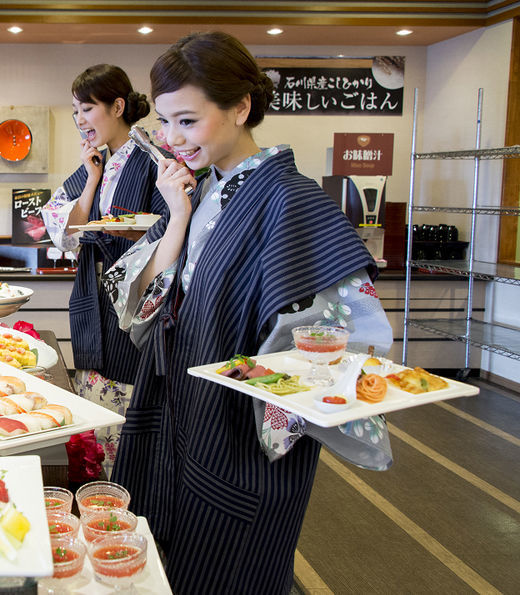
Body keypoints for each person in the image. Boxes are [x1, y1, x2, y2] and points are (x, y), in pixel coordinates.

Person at [102, 31, 393, 594]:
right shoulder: (201, 190)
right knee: (165, 560)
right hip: (172, 411)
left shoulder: (292, 200)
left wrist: (271, 390)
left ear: (240, 107)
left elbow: (341, 340)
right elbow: (137, 305)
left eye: (187, 121)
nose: (171, 139)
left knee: (232, 569)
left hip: (235, 434)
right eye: (164, 122)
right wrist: (178, 214)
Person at [39, 64, 167, 473]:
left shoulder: (152, 160)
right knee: (93, 385)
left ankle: (123, 487)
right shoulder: (97, 161)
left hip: (132, 305)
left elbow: (170, 230)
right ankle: (96, 479)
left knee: (127, 396)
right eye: (75, 110)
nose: (79, 120)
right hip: (92, 299)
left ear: (117, 106)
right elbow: (66, 231)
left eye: (87, 109)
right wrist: (92, 179)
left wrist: (126, 235)